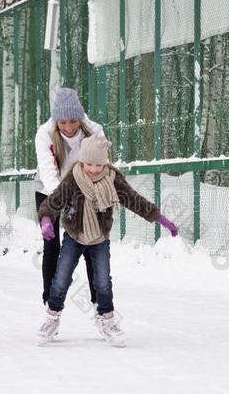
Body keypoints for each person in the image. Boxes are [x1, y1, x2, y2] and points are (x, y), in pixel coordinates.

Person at [36, 133, 179, 347]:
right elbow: (54, 201)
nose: (94, 169)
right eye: (89, 164)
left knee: (103, 282)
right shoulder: (74, 178)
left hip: (99, 238)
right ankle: (51, 319)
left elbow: (134, 200)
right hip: (74, 236)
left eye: (99, 164)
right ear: (82, 161)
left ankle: (108, 322)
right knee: (61, 278)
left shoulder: (113, 179)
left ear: (106, 162)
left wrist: (158, 217)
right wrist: (47, 219)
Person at [34, 88, 104, 307]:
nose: (68, 127)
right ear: (56, 121)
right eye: (62, 122)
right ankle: (50, 303)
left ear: (80, 117)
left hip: (84, 191)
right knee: (52, 246)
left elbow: (101, 166)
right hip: (49, 191)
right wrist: (63, 201)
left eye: (73, 121)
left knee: (90, 243)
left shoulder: (94, 132)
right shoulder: (45, 134)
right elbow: (48, 172)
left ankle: (99, 304)